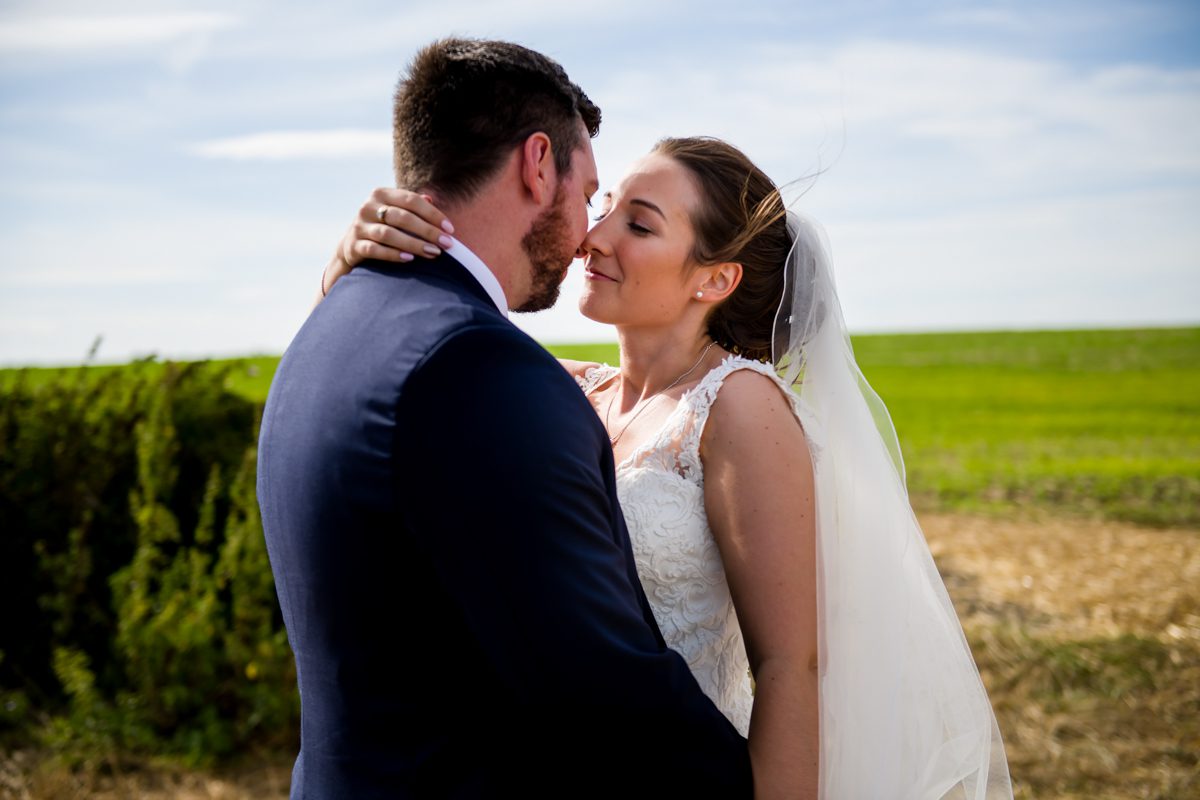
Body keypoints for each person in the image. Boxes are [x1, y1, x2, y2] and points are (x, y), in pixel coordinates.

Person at [325, 137, 1016, 798]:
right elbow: (395, 379)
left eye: (640, 225)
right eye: (604, 210)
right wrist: (350, 270)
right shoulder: (561, 392)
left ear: (715, 278)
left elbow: (790, 668)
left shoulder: (739, 408)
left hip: (675, 778)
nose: (592, 238)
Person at [258, 39, 754, 798]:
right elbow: (598, 691)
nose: (592, 233)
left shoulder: (330, 324)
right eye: (593, 195)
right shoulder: (477, 369)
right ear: (536, 163)